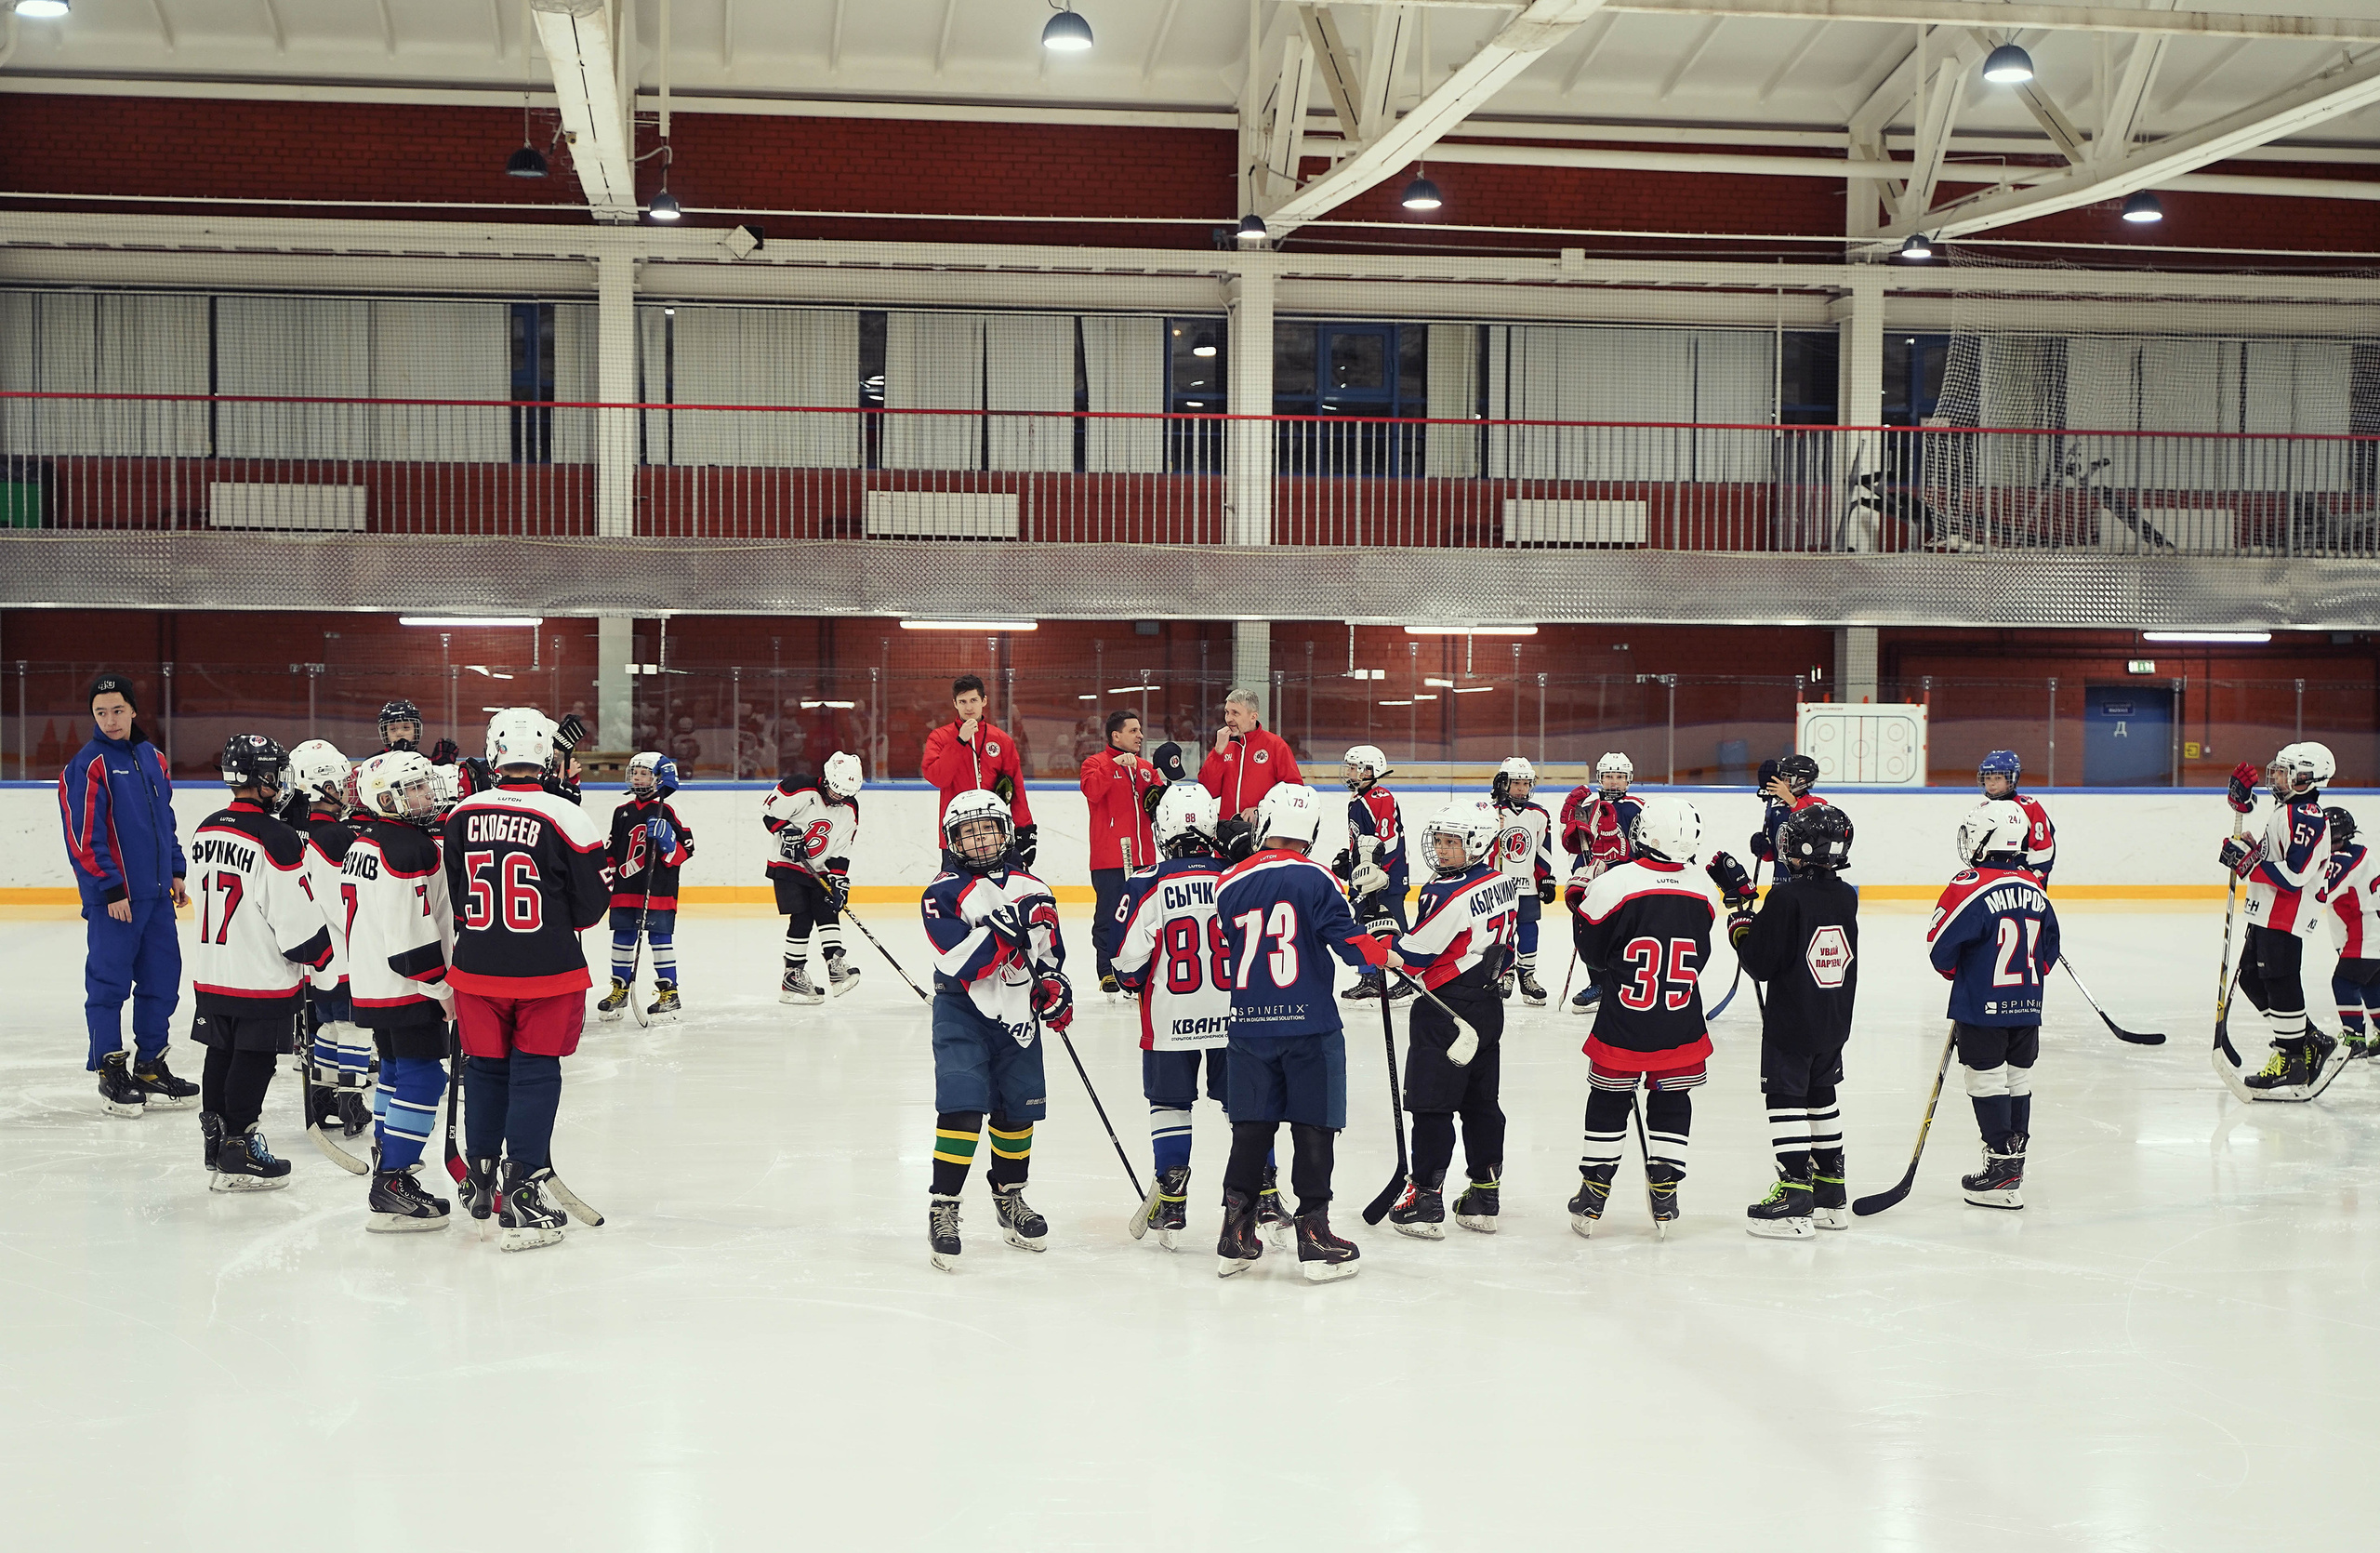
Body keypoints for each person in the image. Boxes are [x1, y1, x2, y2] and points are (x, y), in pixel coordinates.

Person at [443, 708, 611, 1252]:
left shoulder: (460, 814)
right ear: (545, 755)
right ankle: (523, 1188)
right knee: (536, 1074)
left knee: (486, 1073)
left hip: (477, 970)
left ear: (494, 751)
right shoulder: (568, 817)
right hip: (547, 972)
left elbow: (458, 895)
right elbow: (588, 911)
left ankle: (483, 1182)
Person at [1212, 783, 1393, 1282]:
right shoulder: (1321, 879)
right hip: (1310, 1026)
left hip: (1249, 1026)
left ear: (1265, 824)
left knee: (1251, 1127)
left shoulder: (1228, 882)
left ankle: (1235, 1233)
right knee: (1314, 1126)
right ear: (1309, 831)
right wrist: (1386, 947)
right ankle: (1313, 1233)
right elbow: (1353, 947)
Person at [1104, 783, 1262, 1250]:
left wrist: (1135, 983)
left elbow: (1125, 959)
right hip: (1233, 1015)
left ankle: (1171, 1194)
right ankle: (1266, 1188)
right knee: (1246, 1106)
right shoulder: (1237, 875)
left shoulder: (1148, 882)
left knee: (1170, 1103)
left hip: (1170, 1015)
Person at [919, 790, 1068, 1272]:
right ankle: (944, 1205)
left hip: (1018, 1013)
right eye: (969, 831)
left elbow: (1049, 954)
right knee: (963, 1107)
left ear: (1006, 832)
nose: (980, 839)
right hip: (962, 1011)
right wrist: (1005, 930)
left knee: (1016, 1112)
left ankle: (1010, 1197)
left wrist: (1054, 985)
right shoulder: (941, 892)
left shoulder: (1035, 887)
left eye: (988, 828)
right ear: (953, 840)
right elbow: (958, 960)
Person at [188, 736, 336, 1190]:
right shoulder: (278, 837)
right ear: (265, 777)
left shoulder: (206, 827)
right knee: (255, 1058)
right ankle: (239, 1145)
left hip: (213, 970)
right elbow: (294, 918)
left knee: (221, 1050)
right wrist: (321, 958)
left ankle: (216, 1144)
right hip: (260, 975)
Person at [1708, 804, 1859, 1238]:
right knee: (1821, 1093)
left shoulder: (1787, 896)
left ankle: (1795, 1194)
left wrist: (1739, 917)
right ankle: (1831, 1195)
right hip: (1832, 1018)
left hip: (1792, 1021)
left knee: (1785, 1097)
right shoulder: (1846, 894)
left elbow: (1761, 961)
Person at [1567, 795, 1712, 1237]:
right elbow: (1699, 954)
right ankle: (1666, 1186)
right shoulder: (1702, 886)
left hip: (1623, 1020)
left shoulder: (1616, 882)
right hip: (1680, 1018)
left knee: (1608, 1100)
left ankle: (1594, 1189)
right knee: (1672, 1100)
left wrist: (1580, 904)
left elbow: (1592, 950)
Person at [58, 671, 193, 1117]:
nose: (110, 719)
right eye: (101, 713)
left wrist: (175, 869)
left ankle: (151, 1065)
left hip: (156, 899)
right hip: (114, 901)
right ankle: (110, 1068)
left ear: (133, 710)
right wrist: (109, 887)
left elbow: (164, 821)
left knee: (161, 982)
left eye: (118, 710)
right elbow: (83, 836)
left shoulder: (153, 757)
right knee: (108, 986)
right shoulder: (87, 764)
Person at [1383, 800, 1517, 1239]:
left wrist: (1374, 921)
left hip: (1444, 1010)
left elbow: (1413, 958)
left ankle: (1425, 1198)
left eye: (1452, 843)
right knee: (1482, 1102)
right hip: (1486, 1004)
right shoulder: (1503, 880)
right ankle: (1484, 1195)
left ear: (1476, 843)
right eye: (1439, 841)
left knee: (1432, 1102)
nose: (1441, 850)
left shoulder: (1444, 893)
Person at [344, 750, 458, 1231]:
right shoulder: (409, 848)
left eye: (424, 786)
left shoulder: (365, 841)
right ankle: (392, 1179)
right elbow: (411, 937)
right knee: (425, 1077)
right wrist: (443, 987)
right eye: (412, 789)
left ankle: (391, 1153)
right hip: (407, 987)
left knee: (392, 1069)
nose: (425, 796)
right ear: (384, 797)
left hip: (372, 984)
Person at [1928, 800, 2060, 1208]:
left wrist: (1963, 975)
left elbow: (1940, 950)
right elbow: (2050, 951)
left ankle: (2001, 1167)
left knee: (1985, 1082)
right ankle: (2013, 1163)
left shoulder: (1968, 884)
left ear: (1986, 837)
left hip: (1982, 1004)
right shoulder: (2034, 886)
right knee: (2019, 1080)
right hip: (2027, 1004)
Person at [2220, 742, 2338, 1092]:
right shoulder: (2287, 809)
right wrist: (2243, 810)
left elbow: (2294, 876)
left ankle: (2290, 1058)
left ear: (2306, 778)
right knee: (2252, 981)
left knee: (2280, 982)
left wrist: (2247, 862)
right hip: (2267, 910)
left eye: (2288, 772)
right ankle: (2310, 1039)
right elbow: (2272, 854)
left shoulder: (2307, 816)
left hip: (2285, 914)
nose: (2279, 777)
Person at [287, 738, 374, 1148]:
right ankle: (352, 1100)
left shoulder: (293, 831)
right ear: (320, 786)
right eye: (338, 782)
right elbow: (347, 902)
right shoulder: (337, 837)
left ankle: (321, 1097)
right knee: (355, 1026)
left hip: (313, 955)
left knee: (328, 1025)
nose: (345, 788)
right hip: (344, 950)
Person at [599, 753, 695, 1024]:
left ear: (659, 778)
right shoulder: (622, 811)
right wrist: (609, 872)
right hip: (625, 888)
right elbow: (611, 851)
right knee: (623, 938)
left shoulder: (671, 810)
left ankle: (669, 993)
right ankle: (620, 989)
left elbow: (685, 853)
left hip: (658, 888)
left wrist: (667, 842)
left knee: (660, 940)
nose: (636, 778)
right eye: (635, 772)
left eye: (643, 773)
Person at [762, 751, 865, 1004]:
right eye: (836, 791)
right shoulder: (799, 787)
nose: (839, 797)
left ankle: (835, 966)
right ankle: (792, 978)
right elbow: (769, 813)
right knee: (802, 918)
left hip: (819, 868)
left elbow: (842, 847)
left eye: (846, 794)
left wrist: (838, 879)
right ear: (828, 778)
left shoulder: (850, 808)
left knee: (829, 909)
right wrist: (787, 832)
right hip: (787, 866)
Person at [1080, 710, 1159, 996]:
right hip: (1109, 858)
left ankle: (1143, 969)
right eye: (1134, 730)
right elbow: (1091, 791)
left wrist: (1162, 784)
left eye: (1140, 730)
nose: (1140, 735)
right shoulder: (1094, 764)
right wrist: (1112, 765)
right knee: (1108, 917)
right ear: (1116, 736)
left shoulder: (1145, 768)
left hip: (1145, 859)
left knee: (1147, 918)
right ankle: (1107, 972)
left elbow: (1159, 804)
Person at [920, 674, 1038, 868]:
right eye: (962, 701)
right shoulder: (940, 737)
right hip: (956, 836)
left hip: (995, 835)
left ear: (983, 701)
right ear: (955, 704)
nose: (968, 707)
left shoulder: (1001, 739)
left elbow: (1015, 787)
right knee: (957, 895)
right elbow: (937, 778)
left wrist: (1025, 829)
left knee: (1001, 894)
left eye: (974, 700)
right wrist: (960, 741)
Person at [1559, 751, 1642, 1015]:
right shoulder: (1588, 805)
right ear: (1600, 778)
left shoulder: (1639, 806)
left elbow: (1642, 844)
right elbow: (1573, 844)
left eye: (1619, 777)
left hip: (1624, 881)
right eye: (1608, 776)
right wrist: (1571, 817)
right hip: (1591, 879)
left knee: (1624, 935)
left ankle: (1621, 984)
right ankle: (1598, 985)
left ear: (1628, 780)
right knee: (1588, 932)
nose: (1613, 782)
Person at [1332, 744, 1410, 1003]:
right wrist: (1350, 859)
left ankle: (1409, 976)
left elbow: (1389, 841)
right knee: (1362, 925)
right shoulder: (1358, 800)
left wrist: (1375, 871)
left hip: (1387, 876)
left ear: (1370, 770)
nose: (1350, 772)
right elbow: (1362, 840)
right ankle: (1370, 979)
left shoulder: (1381, 798)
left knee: (1396, 925)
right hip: (1366, 874)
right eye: (1350, 767)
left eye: (1355, 768)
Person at [1488, 757, 1556, 1006]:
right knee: (1503, 932)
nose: (1521, 788)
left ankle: (1527, 976)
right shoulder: (1491, 812)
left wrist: (1546, 879)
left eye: (1526, 783)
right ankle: (1504, 974)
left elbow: (1542, 850)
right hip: (1498, 889)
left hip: (1527, 887)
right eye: (1515, 783)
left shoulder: (1539, 814)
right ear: (1503, 784)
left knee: (1528, 931)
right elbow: (1486, 851)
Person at [2314, 806, 2380, 1060]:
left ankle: (2354, 1039)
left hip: (2366, 935)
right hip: (2370, 933)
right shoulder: (2360, 854)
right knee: (2371, 984)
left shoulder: (2341, 860)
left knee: (2343, 981)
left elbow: (2321, 892)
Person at [1199, 687, 1302, 824]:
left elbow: (1294, 791)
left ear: (1253, 716)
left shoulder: (1276, 746)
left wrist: (1261, 810)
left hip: (1263, 832)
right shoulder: (1223, 746)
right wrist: (1217, 753)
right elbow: (1207, 792)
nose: (1228, 719)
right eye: (1227, 712)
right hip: (1227, 831)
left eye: (1235, 713)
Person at [1977, 750, 2056, 879]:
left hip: (2026, 874)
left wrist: (2033, 872)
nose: (1991, 783)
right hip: (1996, 874)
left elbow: (2044, 846)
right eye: (1987, 778)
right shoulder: (1986, 810)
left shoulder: (2028, 807)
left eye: (1998, 778)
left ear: (2011, 779)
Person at [1750, 754, 1826, 867]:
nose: (1781, 782)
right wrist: (1763, 850)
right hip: (1780, 880)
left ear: (1801, 781)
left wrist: (1788, 797)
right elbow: (1776, 854)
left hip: (1808, 880)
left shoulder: (1817, 803)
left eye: (1786, 778)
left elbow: (1813, 823)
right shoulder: (1777, 809)